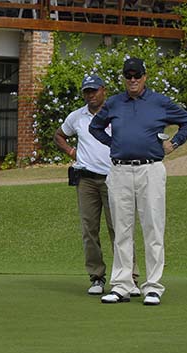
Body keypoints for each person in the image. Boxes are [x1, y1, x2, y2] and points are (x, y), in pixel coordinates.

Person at [89, 58, 187, 306]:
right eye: (128, 75)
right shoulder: (114, 102)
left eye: (137, 75)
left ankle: (153, 287)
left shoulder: (160, 102)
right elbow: (96, 127)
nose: (133, 79)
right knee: (122, 230)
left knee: (153, 228)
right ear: (124, 78)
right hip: (119, 171)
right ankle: (123, 285)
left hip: (151, 170)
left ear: (145, 77)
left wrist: (175, 143)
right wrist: (113, 145)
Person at [54, 74, 139, 297]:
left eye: (94, 90)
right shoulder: (77, 117)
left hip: (114, 177)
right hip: (86, 180)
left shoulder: (116, 112)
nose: (90, 95)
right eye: (86, 91)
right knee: (89, 230)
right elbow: (59, 135)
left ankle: (129, 277)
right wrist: (72, 152)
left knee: (119, 229)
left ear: (104, 90)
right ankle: (97, 277)